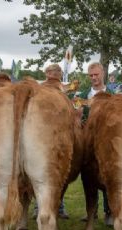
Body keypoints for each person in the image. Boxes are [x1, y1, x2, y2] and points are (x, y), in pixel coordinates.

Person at [76, 62, 119, 226]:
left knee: (109, 175)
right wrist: (78, 117)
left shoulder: (114, 95)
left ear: (103, 74)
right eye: (91, 75)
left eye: (96, 74)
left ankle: (110, 212)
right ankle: (91, 212)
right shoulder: (82, 96)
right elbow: (77, 116)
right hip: (87, 142)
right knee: (87, 176)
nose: (94, 78)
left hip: (108, 142)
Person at [32, 64, 70, 220]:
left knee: (39, 170)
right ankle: (53, 206)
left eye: (56, 72)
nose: (54, 75)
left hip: (39, 134)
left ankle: (45, 206)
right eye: (53, 72)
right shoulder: (62, 90)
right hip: (55, 134)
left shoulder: (38, 89)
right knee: (57, 170)